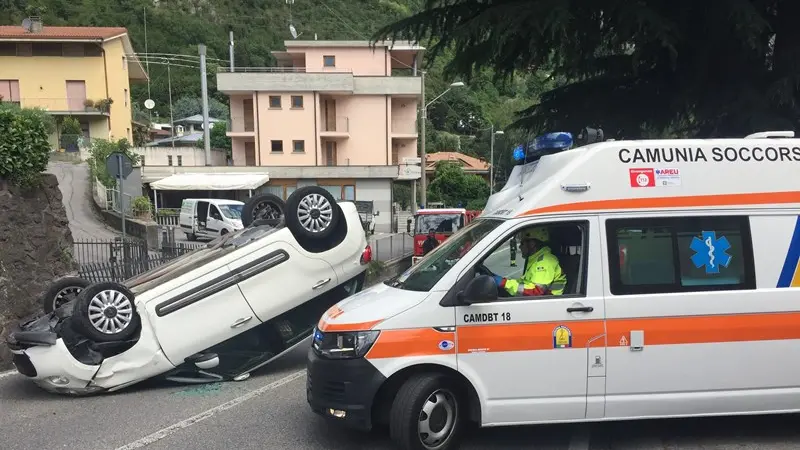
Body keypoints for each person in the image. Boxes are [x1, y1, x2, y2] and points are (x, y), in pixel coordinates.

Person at [493, 227, 567, 296]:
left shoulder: (544, 262)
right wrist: (505, 282)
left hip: (548, 304)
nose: (519, 247)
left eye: (522, 243)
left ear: (532, 244)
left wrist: (505, 283)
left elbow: (536, 291)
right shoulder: (536, 259)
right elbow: (525, 283)